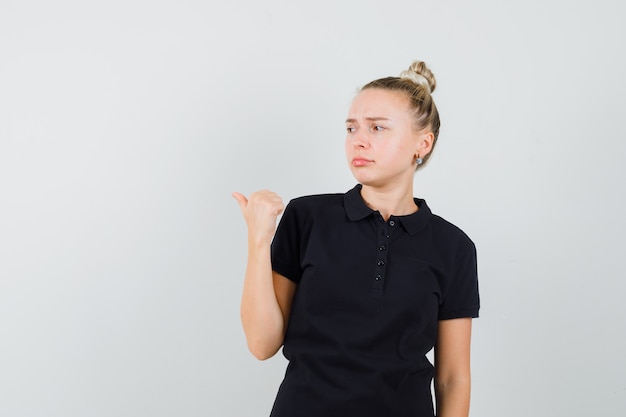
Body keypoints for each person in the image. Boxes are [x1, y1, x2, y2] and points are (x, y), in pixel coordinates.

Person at [232, 60, 480, 417]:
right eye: (351, 128)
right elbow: (261, 344)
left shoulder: (453, 247)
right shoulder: (307, 218)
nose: (359, 140)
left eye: (378, 128)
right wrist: (258, 241)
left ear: (422, 143)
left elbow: (453, 379)